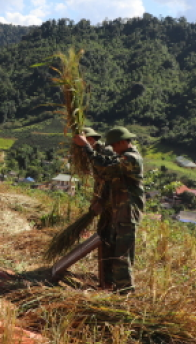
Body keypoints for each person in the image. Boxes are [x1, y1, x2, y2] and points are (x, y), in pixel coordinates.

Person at [74, 126, 144, 294]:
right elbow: (106, 177)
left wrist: (86, 147)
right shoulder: (123, 156)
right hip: (118, 211)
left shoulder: (130, 158)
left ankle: (125, 294)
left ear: (121, 142)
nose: (112, 149)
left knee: (122, 255)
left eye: (113, 145)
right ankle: (113, 288)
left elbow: (106, 167)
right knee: (113, 250)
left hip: (128, 212)